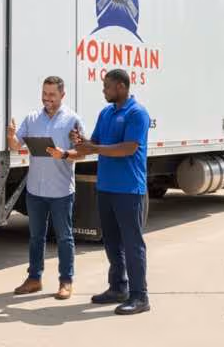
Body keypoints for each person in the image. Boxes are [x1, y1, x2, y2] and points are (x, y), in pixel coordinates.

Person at [71, 68, 151, 315]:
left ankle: (140, 296)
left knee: (132, 244)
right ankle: (118, 288)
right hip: (105, 187)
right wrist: (81, 142)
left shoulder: (137, 113)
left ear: (121, 87)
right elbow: (94, 143)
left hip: (129, 189)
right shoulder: (105, 113)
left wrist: (93, 148)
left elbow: (128, 148)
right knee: (112, 242)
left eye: (107, 86)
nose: (103, 90)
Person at [7, 76, 84, 300]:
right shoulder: (32, 118)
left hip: (61, 190)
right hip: (35, 190)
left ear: (62, 95)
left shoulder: (72, 120)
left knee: (64, 238)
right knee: (35, 237)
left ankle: (66, 281)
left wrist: (65, 154)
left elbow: (83, 152)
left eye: (52, 94)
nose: (47, 98)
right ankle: (34, 279)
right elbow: (16, 146)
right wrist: (10, 136)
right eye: (44, 93)